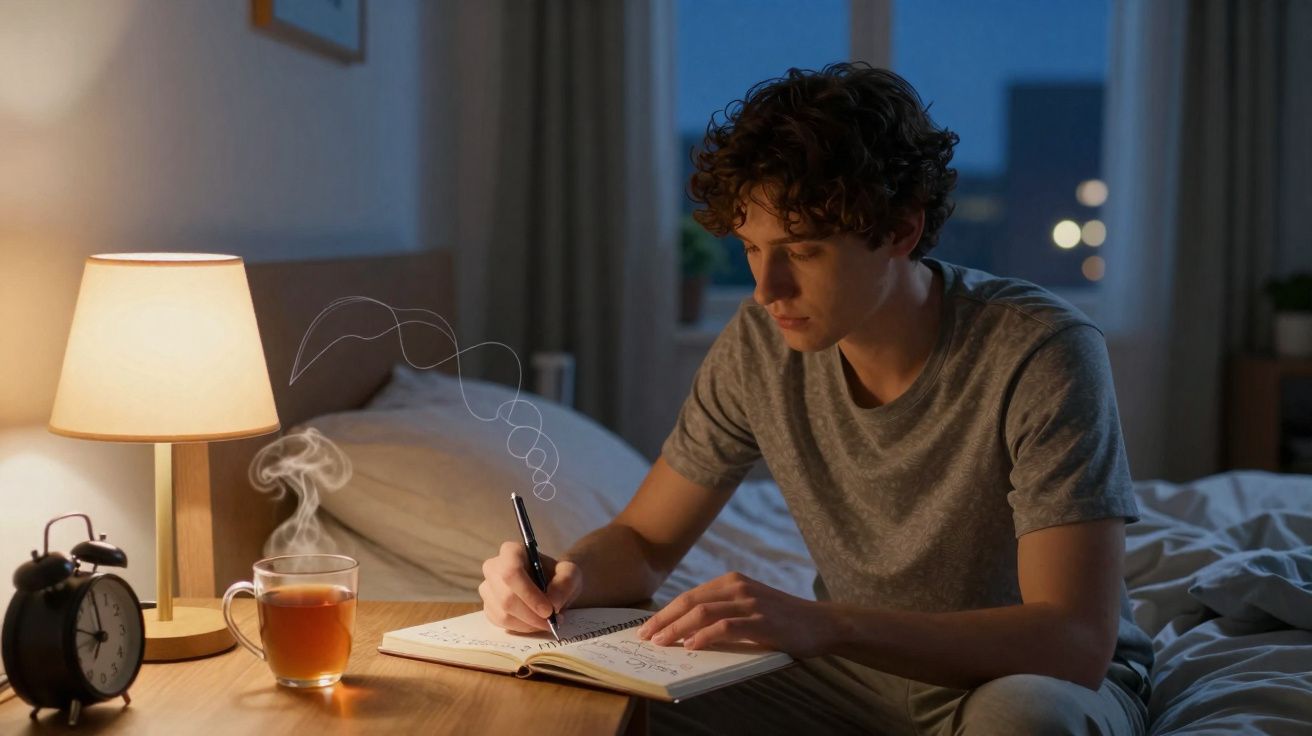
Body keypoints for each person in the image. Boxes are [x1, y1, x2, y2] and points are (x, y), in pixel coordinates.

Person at [479, 63, 1153, 735]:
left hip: (1020, 679)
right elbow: (644, 544)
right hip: (851, 678)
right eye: (750, 248)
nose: (768, 289)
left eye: (802, 251)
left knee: (1024, 721)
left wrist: (825, 624)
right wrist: (564, 578)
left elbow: (1072, 642)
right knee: (608, 702)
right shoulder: (759, 345)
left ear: (900, 232)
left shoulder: (1041, 349)